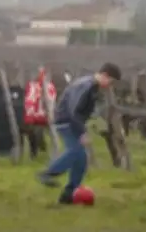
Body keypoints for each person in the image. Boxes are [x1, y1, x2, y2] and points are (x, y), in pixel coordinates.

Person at [38, 63, 122, 204]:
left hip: (73, 122)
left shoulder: (92, 86)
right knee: (76, 151)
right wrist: (82, 132)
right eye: (111, 81)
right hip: (66, 121)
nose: (110, 86)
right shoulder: (86, 86)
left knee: (81, 159)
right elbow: (73, 111)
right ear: (105, 75)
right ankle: (48, 174)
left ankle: (69, 194)